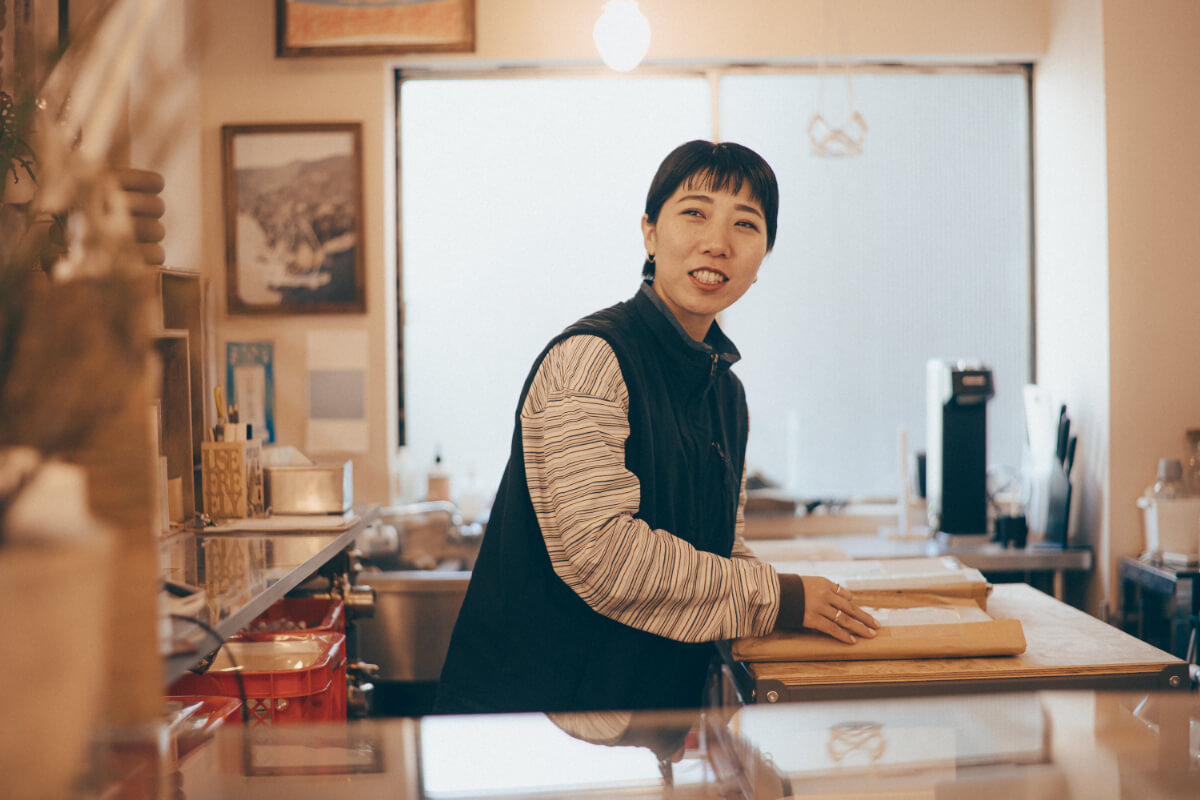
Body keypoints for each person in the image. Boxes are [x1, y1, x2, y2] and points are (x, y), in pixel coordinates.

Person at [434, 140, 878, 715]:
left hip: (641, 722)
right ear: (649, 233)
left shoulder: (726, 393)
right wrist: (782, 596)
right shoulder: (591, 360)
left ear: (764, 255)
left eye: (745, 224)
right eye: (695, 213)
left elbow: (722, 549)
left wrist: (796, 603)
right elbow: (603, 552)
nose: (717, 242)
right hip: (534, 724)